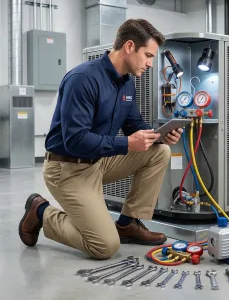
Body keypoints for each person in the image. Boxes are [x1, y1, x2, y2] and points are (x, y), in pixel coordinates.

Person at [18, 19, 183, 259]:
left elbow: (133, 125)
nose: (150, 64)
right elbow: (75, 140)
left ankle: (127, 223)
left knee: (159, 153)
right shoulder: (82, 79)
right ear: (129, 47)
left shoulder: (127, 83)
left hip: (98, 162)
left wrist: (160, 136)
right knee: (104, 246)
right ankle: (41, 210)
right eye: (147, 55)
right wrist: (127, 144)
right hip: (67, 168)